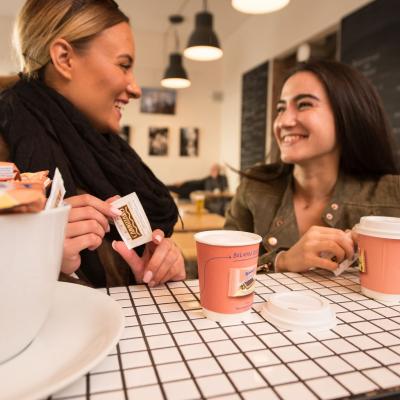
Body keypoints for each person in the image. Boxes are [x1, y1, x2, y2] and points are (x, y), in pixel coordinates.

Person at [0, 0, 185, 288]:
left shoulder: (111, 152)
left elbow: (130, 266)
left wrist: (159, 270)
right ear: (64, 58)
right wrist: (35, 256)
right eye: (124, 65)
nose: (136, 89)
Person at [225, 59, 400, 273]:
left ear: (348, 113)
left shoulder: (392, 195)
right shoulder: (254, 188)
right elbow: (219, 268)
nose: (283, 122)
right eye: (281, 108)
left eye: (304, 104)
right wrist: (282, 261)